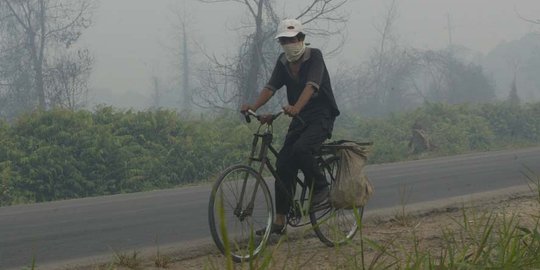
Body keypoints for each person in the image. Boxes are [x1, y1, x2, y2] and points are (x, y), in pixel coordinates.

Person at [241, 18, 340, 235]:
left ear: (301, 39)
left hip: (321, 116)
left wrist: (296, 106)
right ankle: (279, 221)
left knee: (302, 149)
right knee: (284, 163)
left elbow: (311, 86)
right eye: (283, 40)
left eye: (291, 39)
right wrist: (254, 107)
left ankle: (322, 187)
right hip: (299, 118)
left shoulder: (315, 56)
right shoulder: (283, 61)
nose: (288, 43)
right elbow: (271, 87)